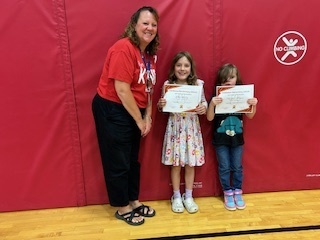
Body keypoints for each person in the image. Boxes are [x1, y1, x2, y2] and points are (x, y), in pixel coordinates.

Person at [92, 6, 159, 226]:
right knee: (118, 160)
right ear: (134, 25)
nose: (149, 28)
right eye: (145, 23)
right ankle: (122, 207)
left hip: (134, 108)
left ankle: (133, 200)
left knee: (131, 160)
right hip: (113, 108)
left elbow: (148, 86)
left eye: (153, 24)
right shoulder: (124, 48)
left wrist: (147, 115)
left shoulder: (148, 53)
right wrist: (138, 120)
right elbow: (122, 89)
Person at [157, 51, 207, 214]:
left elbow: (204, 104)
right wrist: (161, 103)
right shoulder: (168, 85)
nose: (182, 68)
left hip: (191, 129)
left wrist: (202, 108)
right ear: (174, 67)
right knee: (176, 164)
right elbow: (162, 107)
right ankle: (177, 196)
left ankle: (189, 196)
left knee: (190, 164)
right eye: (179, 65)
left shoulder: (198, 85)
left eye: (186, 65)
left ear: (191, 68)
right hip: (175, 130)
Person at [206, 63, 258, 211]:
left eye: (231, 77)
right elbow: (209, 118)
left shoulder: (243, 95)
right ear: (220, 81)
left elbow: (250, 115)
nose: (228, 80)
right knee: (224, 167)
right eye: (224, 78)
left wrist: (253, 104)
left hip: (237, 139)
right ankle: (227, 192)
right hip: (220, 140)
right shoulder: (217, 97)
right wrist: (212, 104)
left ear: (237, 79)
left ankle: (237, 191)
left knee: (237, 167)